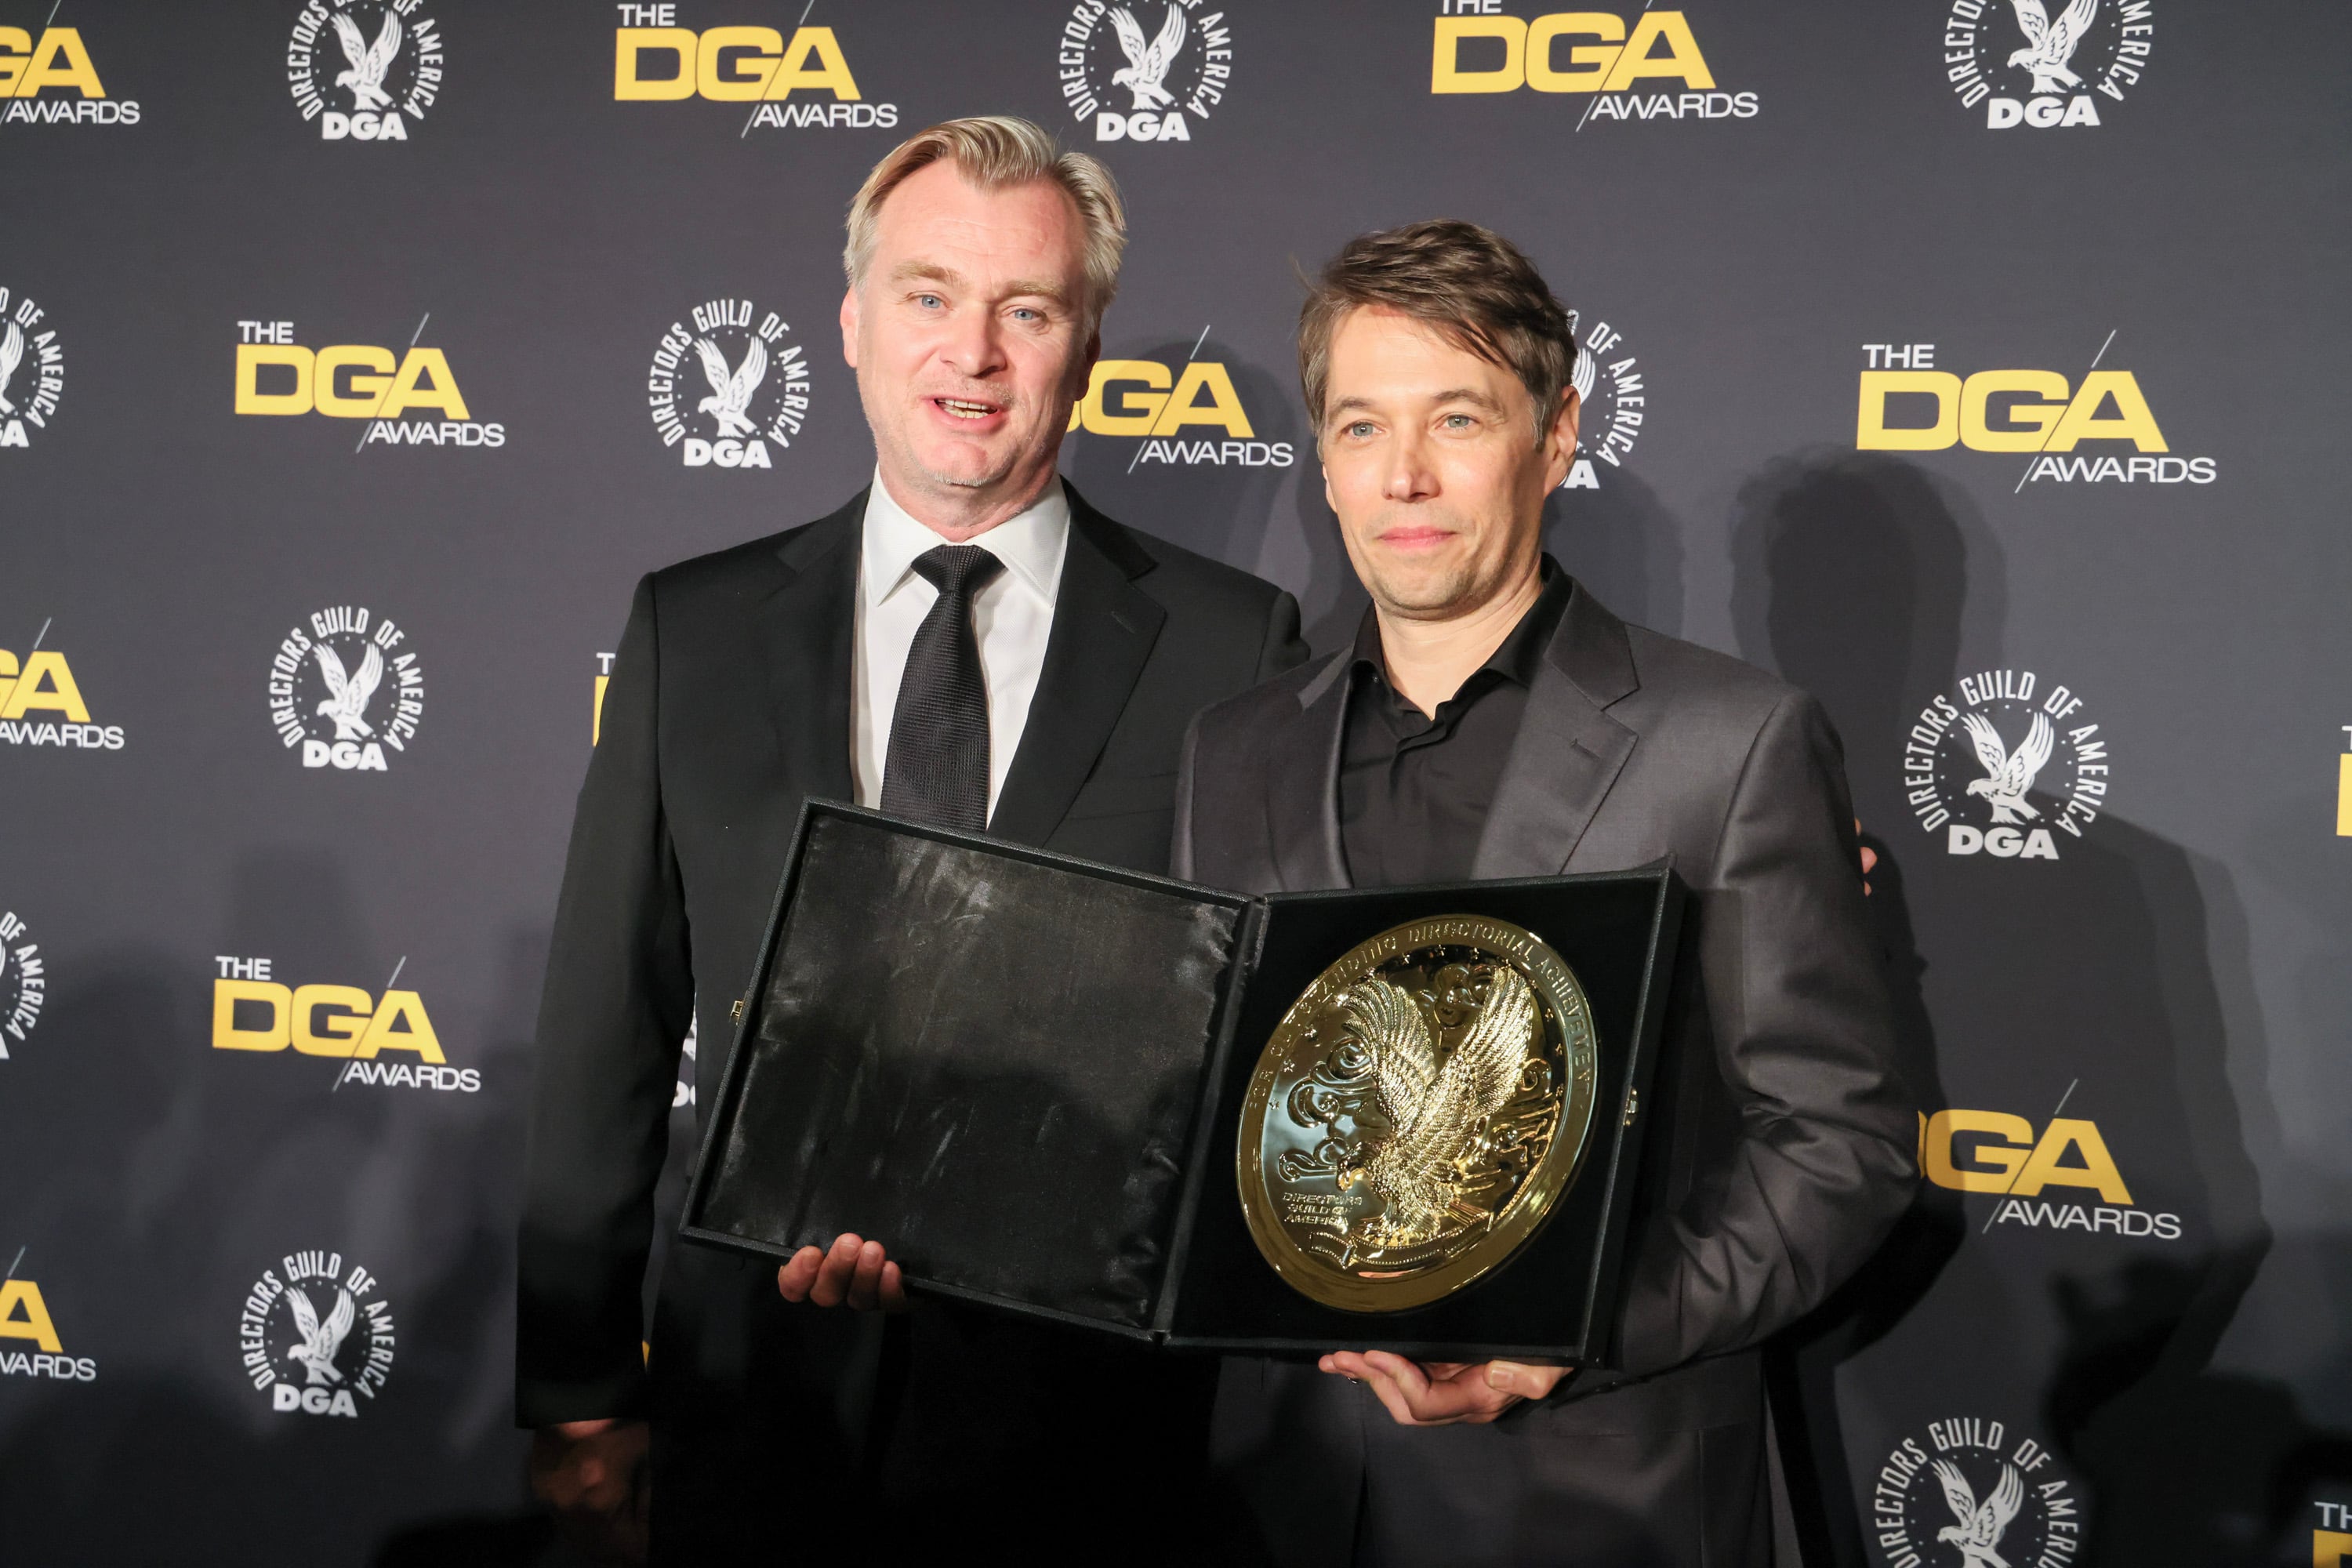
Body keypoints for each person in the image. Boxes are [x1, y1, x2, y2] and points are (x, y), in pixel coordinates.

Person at [517, 116, 1305, 1561]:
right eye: (930, 296)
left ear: (1087, 339)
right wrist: (575, 1388)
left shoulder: (1232, 640)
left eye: (1028, 308)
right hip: (754, 1394)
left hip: (1088, 1434)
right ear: (852, 325)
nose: (975, 352)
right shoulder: (690, 629)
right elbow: (605, 1028)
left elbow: (1262, 1034)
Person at [1173, 220, 1917, 1566]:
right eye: (1358, 426)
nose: (1404, 473)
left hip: (1598, 1499)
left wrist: (1577, 1334)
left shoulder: (1729, 743)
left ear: (1556, 435)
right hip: (1279, 1497)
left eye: (1455, 417)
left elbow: (1837, 1144)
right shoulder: (1235, 752)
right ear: (1323, 464)